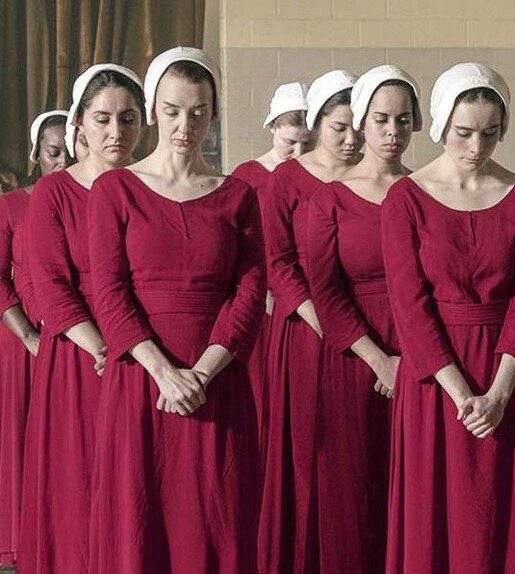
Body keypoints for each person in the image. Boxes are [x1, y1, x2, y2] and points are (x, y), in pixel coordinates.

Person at [87, 46, 265, 573]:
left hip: (217, 381)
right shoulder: (115, 189)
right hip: (142, 381)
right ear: (152, 111)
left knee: (218, 520)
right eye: (172, 111)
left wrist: (200, 375)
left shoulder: (238, 195)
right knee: (140, 521)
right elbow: (110, 292)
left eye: (198, 111)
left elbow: (249, 293)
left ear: (214, 113)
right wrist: (165, 373)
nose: (185, 125)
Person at [382, 62, 515, 574]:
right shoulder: (406, 198)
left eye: (490, 133)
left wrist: (498, 393)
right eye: (464, 133)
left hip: (507, 372)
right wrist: (462, 395)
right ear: (439, 125)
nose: (477, 146)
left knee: (504, 515)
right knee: (436, 517)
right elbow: (410, 306)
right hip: (437, 379)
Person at [20, 63, 144, 573]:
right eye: (102, 119)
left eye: (128, 119)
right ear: (79, 124)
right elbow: (51, 287)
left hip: (142, 351)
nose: (116, 132)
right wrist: (103, 347)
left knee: (135, 488)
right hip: (82, 354)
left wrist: (137, 348)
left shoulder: (152, 187)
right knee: (79, 487)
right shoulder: (55, 193)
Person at [305, 63, 419, 574]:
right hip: (354, 356)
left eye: (403, 120)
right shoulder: (329, 198)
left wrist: (412, 358)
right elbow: (326, 291)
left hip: (421, 353)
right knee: (354, 488)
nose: (393, 132)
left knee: (414, 483)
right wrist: (380, 361)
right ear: (362, 122)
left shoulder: (426, 191)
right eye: (381, 120)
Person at [258, 68, 361, 574]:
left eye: (358, 127)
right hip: (307, 331)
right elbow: (277, 264)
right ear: (316, 124)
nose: (351, 139)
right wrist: (328, 320)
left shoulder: (385, 179)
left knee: (364, 457)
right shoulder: (287, 180)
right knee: (312, 451)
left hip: (373, 333)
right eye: (339, 128)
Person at [0, 109, 68, 567]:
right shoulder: (11, 205)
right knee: (21, 439)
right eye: (52, 152)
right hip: (22, 339)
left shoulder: (90, 199)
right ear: (36, 154)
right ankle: (18, 541)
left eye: (68, 152)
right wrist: (27, 335)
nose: (61, 162)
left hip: (72, 339)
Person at [232, 81, 313, 445]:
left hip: (302, 302)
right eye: (290, 143)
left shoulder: (317, 178)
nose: (298, 153)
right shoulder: (246, 178)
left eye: (308, 144)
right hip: (259, 304)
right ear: (272, 129)